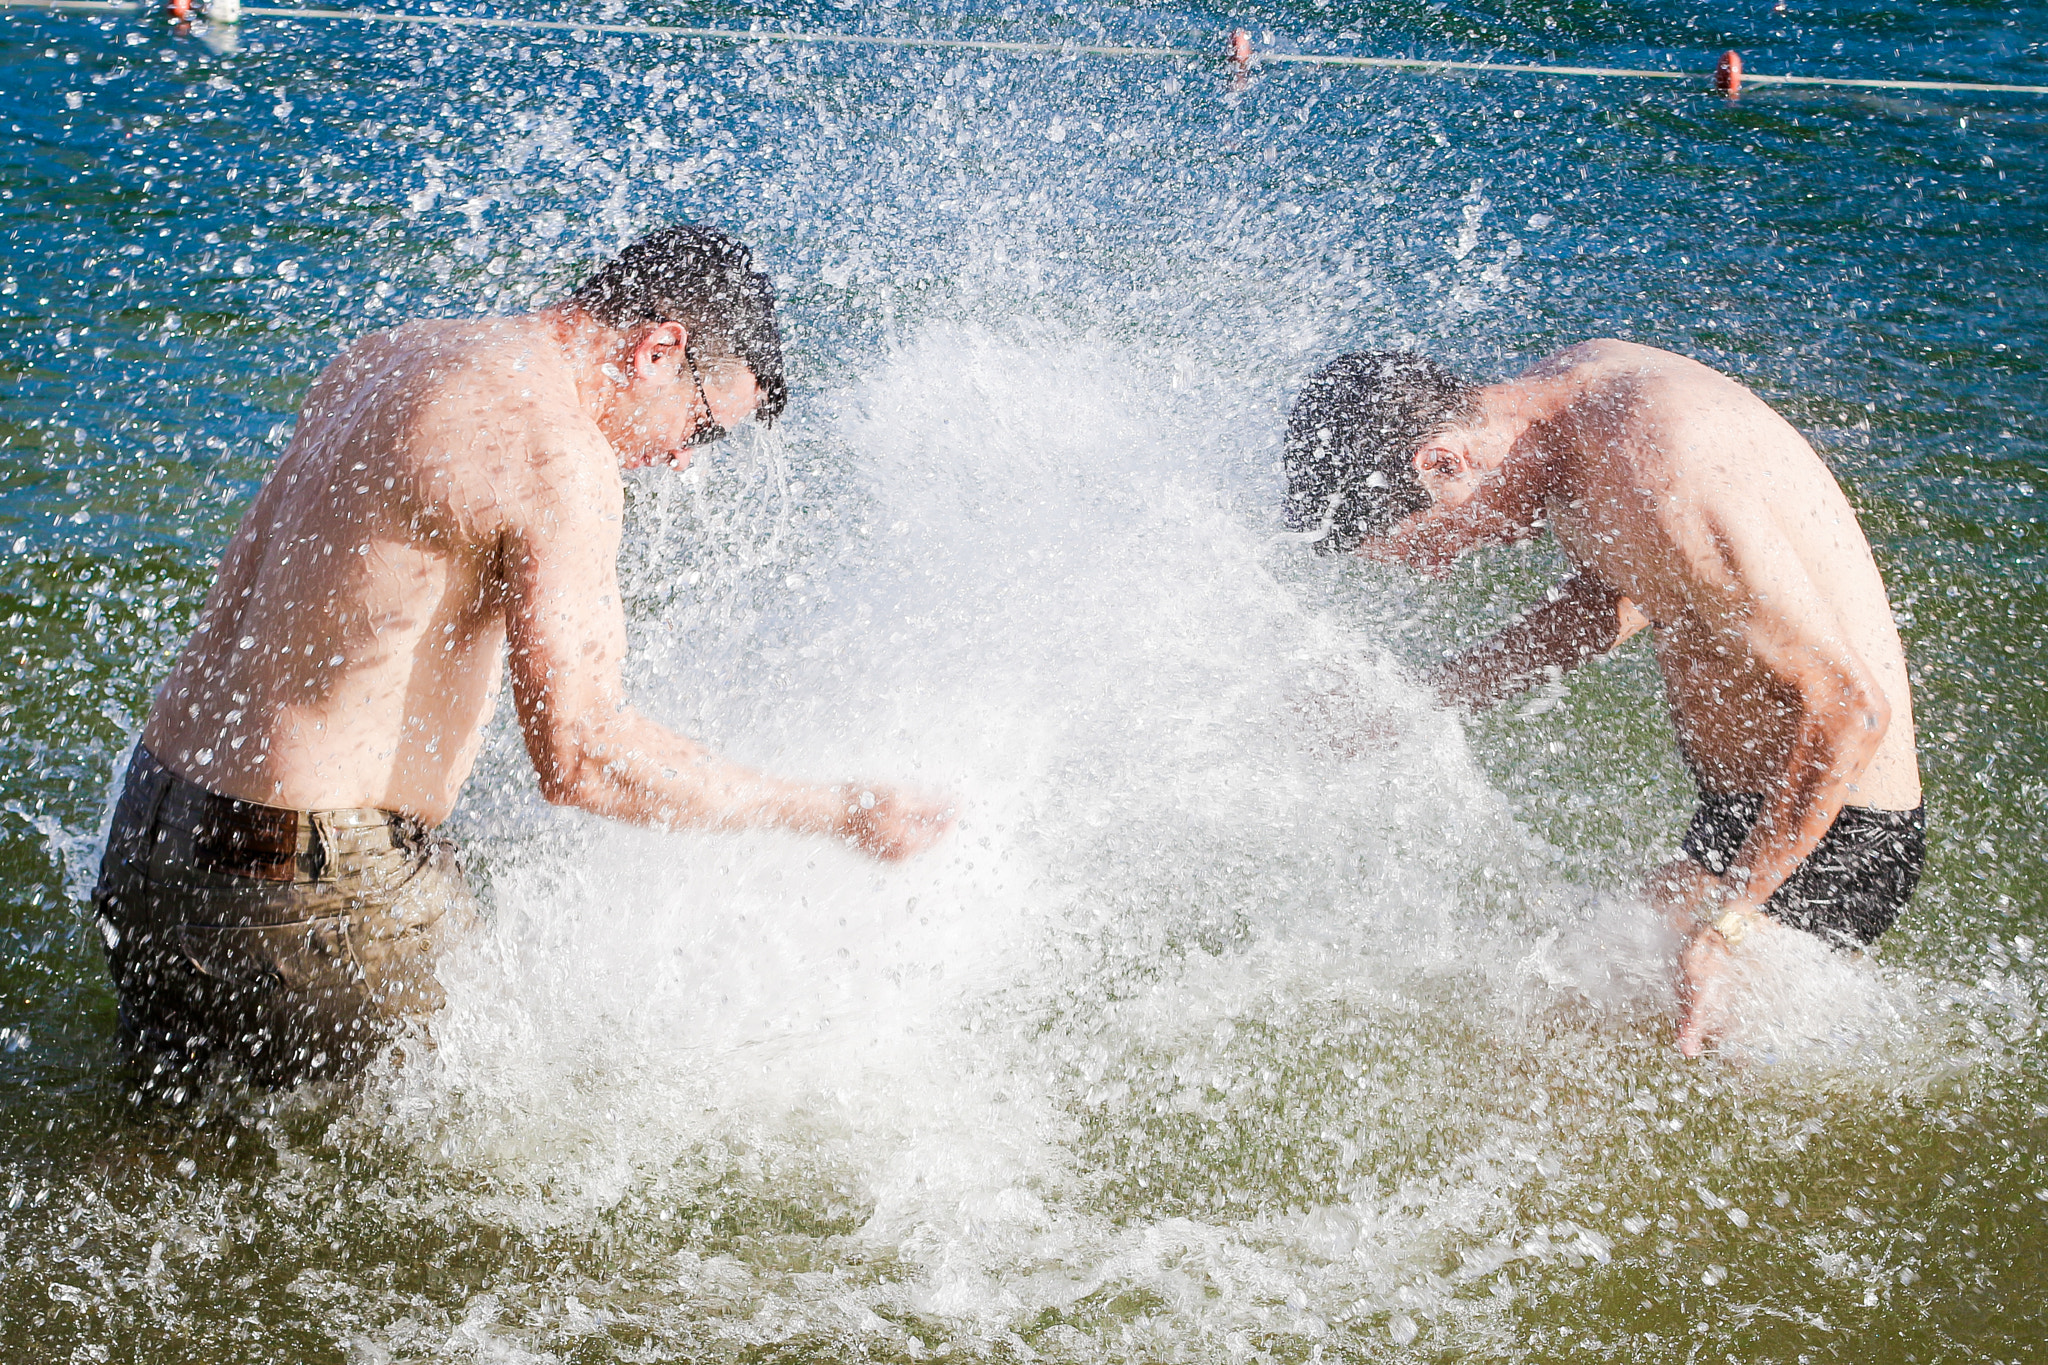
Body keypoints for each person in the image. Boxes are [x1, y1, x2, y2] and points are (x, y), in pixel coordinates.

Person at [93, 225, 953, 1087]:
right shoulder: (556, 455)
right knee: (519, 1131)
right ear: (659, 351)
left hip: (150, 832)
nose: (684, 460)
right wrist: (835, 811)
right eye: (702, 424)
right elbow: (581, 759)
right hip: (305, 888)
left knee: (172, 1128)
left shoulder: (394, 354)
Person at [1285, 341, 1925, 1056]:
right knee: (1552, 1020)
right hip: (1739, 825)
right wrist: (1419, 705)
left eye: (1422, 545)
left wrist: (1728, 926)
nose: (1436, 571)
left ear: (1440, 460)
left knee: (1672, 1065)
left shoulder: (1659, 458)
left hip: (1833, 833)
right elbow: (1609, 601)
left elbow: (1849, 708)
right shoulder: (1573, 419)